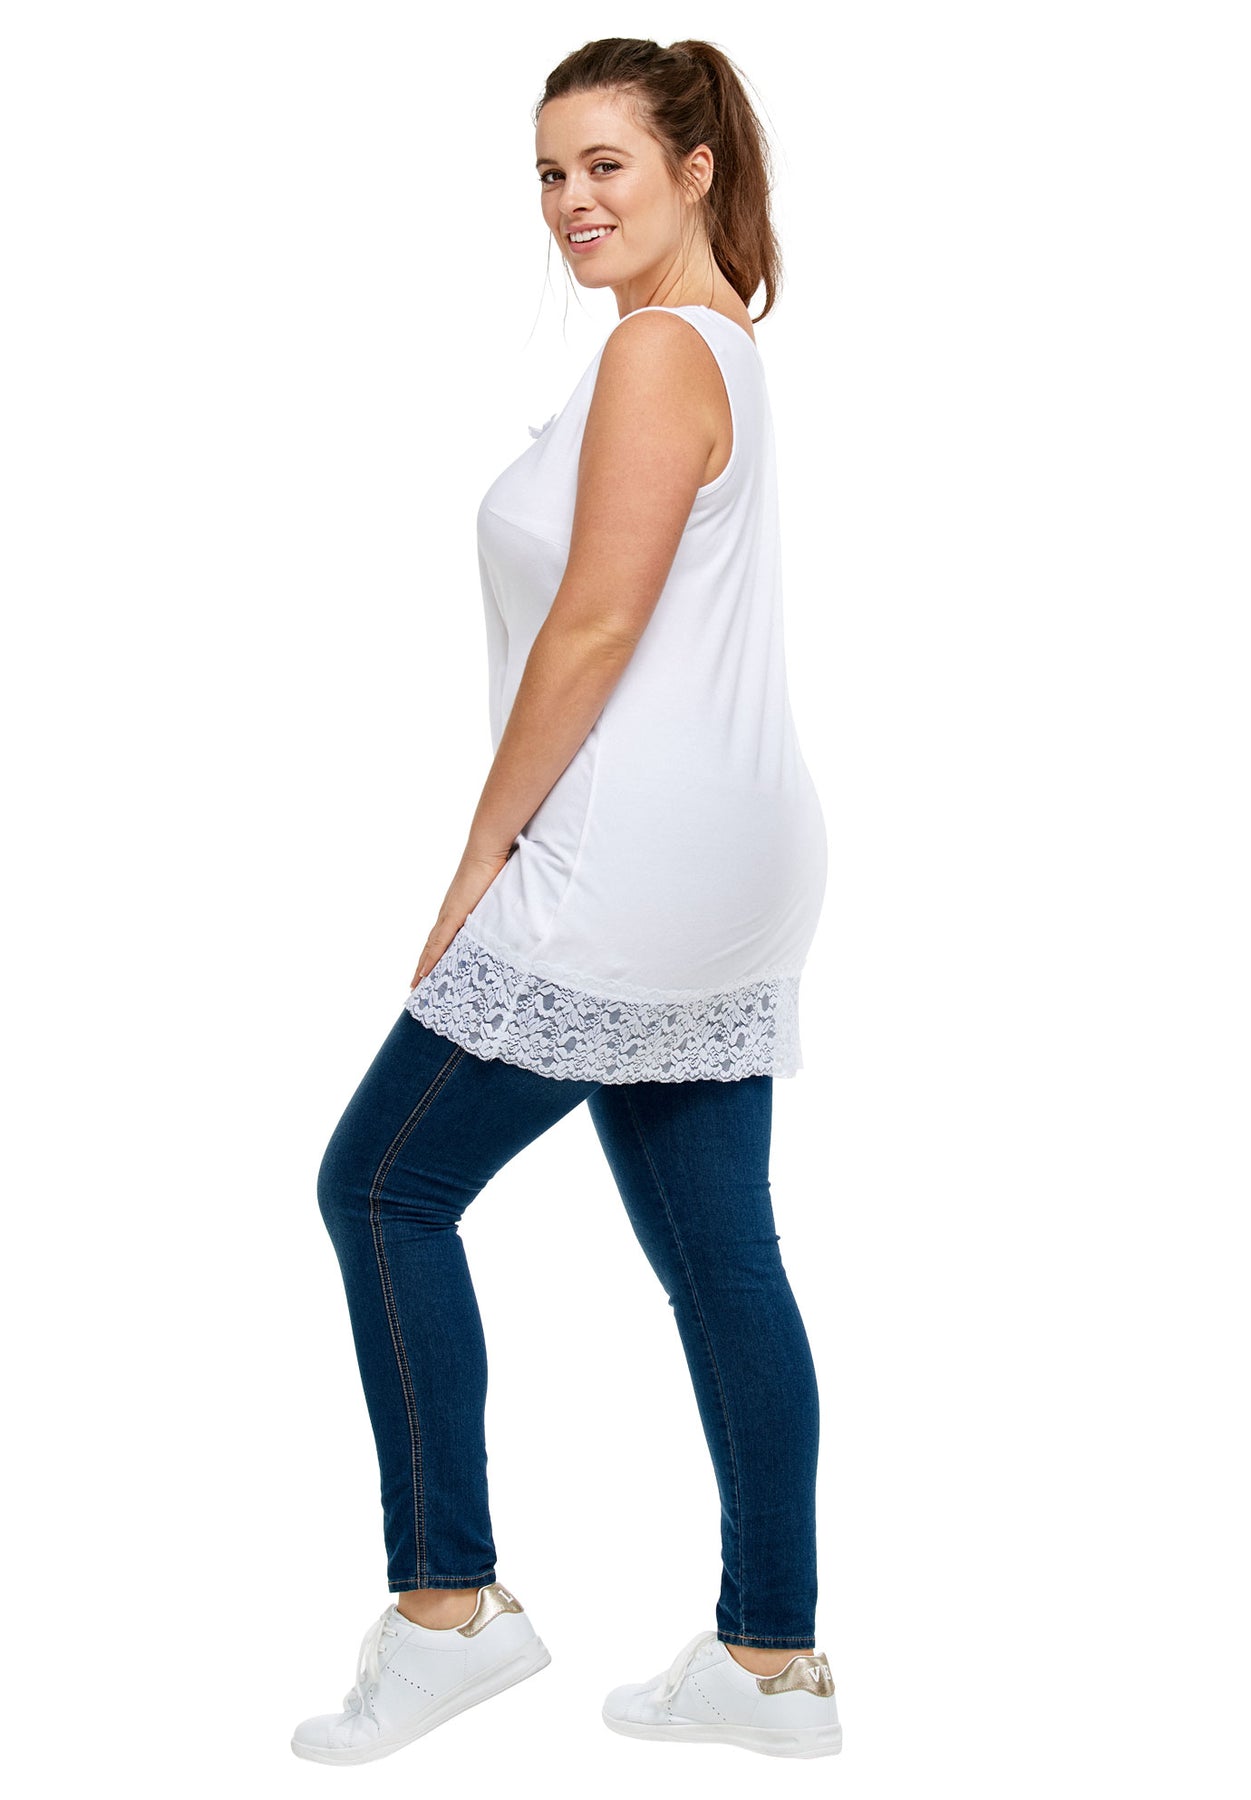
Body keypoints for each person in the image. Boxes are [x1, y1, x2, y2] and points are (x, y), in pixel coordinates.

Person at [291, 35, 842, 1765]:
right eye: (548, 171)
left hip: (625, 865)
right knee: (721, 1253)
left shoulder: (659, 353)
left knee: (383, 1186)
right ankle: (771, 1665)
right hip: (735, 865)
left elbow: (596, 627)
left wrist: (483, 855)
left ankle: (445, 1612)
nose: (570, 201)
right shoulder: (717, 348)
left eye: (606, 163)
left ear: (693, 167)